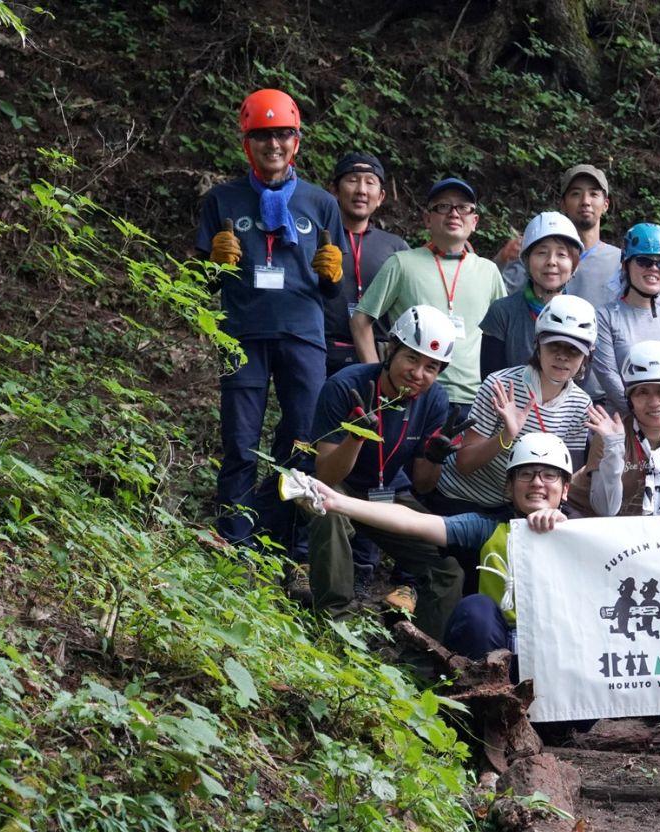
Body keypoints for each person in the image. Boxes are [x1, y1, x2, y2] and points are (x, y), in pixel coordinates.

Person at [285, 433, 575, 666]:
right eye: (526, 474)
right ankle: (485, 706)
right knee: (475, 609)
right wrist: (337, 502)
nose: (537, 482)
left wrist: (565, 530)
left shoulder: (584, 535)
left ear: (565, 489)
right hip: (502, 653)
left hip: (558, 659)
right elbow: (414, 521)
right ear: (509, 487)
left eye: (549, 475)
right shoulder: (487, 528)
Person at [198, 88, 343, 547]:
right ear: (247, 143)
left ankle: (289, 543)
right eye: (262, 136)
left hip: (303, 333)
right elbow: (203, 281)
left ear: (296, 141)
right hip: (242, 331)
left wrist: (333, 275)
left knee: (302, 441)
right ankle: (234, 536)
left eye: (282, 135)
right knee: (240, 440)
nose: (273, 145)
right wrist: (214, 265)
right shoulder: (223, 200)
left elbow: (333, 288)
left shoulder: (321, 204)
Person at [307, 305, 465, 636]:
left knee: (448, 567)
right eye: (411, 358)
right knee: (328, 511)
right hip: (341, 486)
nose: (418, 373)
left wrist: (435, 457)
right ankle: (335, 625)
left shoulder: (434, 401)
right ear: (390, 349)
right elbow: (326, 476)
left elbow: (422, 483)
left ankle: (426, 650)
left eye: (431, 367)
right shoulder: (345, 386)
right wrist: (356, 436)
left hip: (391, 492)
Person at [432, 295, 596, 515]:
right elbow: (464, 464)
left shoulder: (581, 404)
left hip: (519, 509)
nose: (562, 356)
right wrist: (506, 437)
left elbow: (567, 477)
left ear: (586, 357)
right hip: (463, 499)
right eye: (554, 346)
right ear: (537, 345)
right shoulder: (500, 384)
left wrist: (606, 450)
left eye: (574, 350)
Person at [358, 176, 506, 413]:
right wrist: (377, 377)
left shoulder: (488, 271)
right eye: (443, 207)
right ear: (427, 219)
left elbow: (503, 334)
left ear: (475, 221)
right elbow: (361, 320)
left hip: (476, 398)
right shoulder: (402, 264)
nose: (454, 214)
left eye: (463, 208)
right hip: (413, 393)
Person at [497, 164, 660, 312]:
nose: (585, 201)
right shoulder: (537, 256)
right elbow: (499, 297)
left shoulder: (627, 261)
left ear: (606, 204)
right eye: (576, 193)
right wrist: (502, 260)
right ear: (563, 204)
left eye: (594, 194)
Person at [567, 339, 660, 517]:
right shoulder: (609, 435)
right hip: (584, 516)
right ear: (629, 399)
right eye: (642, 392)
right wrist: (614, 447)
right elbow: (605, 509)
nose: (654, 402)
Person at [590, 223, 660, 417]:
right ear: (625, 265)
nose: (654, 268)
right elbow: (607, 375)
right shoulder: (605, 317)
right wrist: (647, 417)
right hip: (622, 427)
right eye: (644, 261)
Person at [324, 152, 409, 373]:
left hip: (379, 352)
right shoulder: (317, 240)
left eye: (369, 183)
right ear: (334, 190)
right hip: (323, 352)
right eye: (352, 180)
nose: (361, 190)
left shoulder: (395, 248)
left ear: (380, 197)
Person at [479, 211, 582, 377]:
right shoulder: (503, 312)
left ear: (574, 265)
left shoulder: (582, 318)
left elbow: (580, 380)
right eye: (542, 252)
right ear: (526, 261)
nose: (551, 261)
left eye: (562, 254)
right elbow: (490, 381)